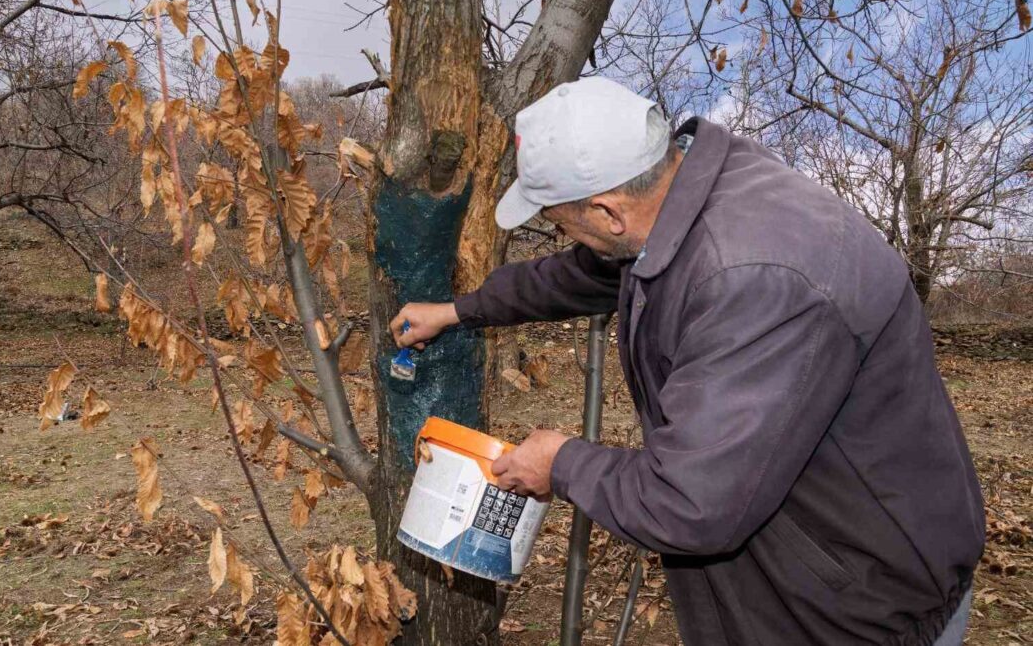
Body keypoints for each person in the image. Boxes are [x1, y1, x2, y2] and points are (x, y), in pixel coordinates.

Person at [390, 77, 984, 645]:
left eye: (560, 220)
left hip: (859, 601)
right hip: (814, 552)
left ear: (607, 212)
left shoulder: (753, 281)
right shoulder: (689, 196)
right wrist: (460, 310)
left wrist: (563, 463)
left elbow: (691, 502)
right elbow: (587, 272)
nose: (562, 234)